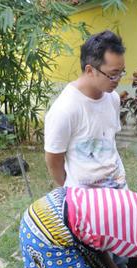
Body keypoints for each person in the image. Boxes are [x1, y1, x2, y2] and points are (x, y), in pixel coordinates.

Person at [44, 30, 127, 189]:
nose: (118, 80)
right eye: (113, 74)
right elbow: (54, 160)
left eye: (121, 72)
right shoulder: (64, 109)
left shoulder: (113, 98)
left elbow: (109, 144)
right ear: (90, 71)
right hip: (85, 203)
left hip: (119, 191)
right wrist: (73, 189)